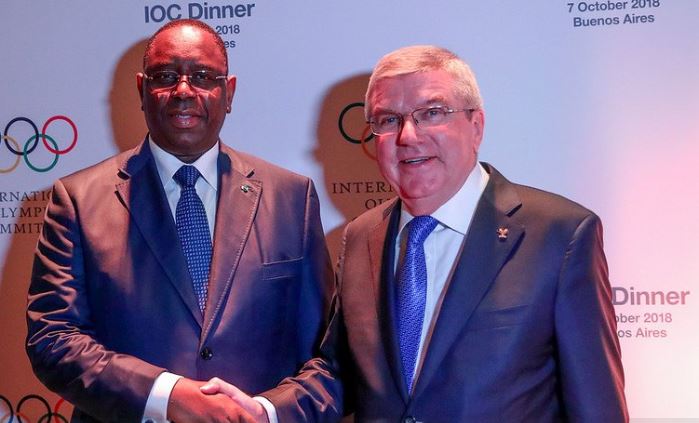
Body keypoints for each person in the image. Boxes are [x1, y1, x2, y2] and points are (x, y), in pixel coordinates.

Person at [205, 45, 629, 422]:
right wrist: (266, 411)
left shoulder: (559, 235)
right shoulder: (360, 237)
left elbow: (596, 406)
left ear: (476, 125)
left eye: (432, 113)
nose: (407, 136)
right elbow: (340, 371)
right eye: (388, 120)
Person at [26, 19, 332, 423]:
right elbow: (53, 339)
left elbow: (327, 358)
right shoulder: (77, 200)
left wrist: (266, 412)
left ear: (229, 92)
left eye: (203, 77)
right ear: (142, 90)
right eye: (165, 76)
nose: (184, 91)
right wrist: (167, 395)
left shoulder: (292, 198)